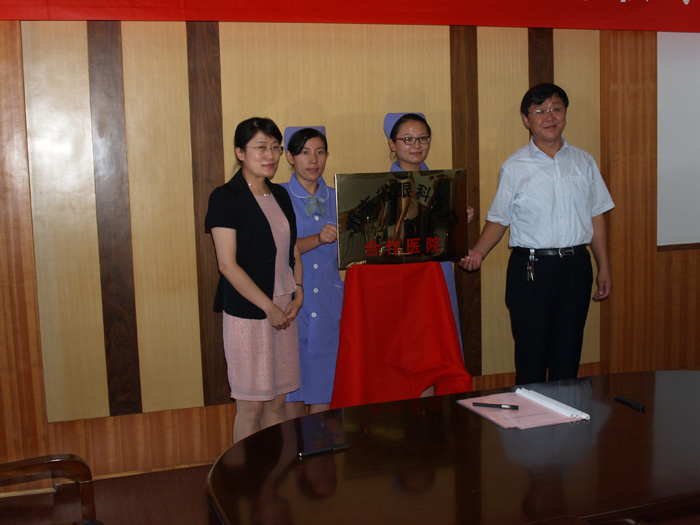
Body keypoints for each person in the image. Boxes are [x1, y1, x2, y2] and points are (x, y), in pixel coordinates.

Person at [458, 83, 614, 385]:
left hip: (576, 267)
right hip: (530, 270)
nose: (549, 117)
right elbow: (499, 219)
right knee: (531, 357)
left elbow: (596, 215)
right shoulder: (515, 166)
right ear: (526, 119)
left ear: (565, 114)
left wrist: (603, 267)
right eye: (540, 111)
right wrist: (478, 252)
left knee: (568, 354)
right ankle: (530, 416)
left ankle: (564, 413)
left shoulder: (584, 162)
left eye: (556, 109)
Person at [205, 117, 303, 443]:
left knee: (277, 402)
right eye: (261, 147)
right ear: (240, 152)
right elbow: (227, 265)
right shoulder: (225, 197)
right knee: (251, 407)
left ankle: (273, 471)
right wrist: (268, 308)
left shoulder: (280, 194)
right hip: (249, 313)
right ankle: (245, 476)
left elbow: (292, 250)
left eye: (275, 147)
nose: (270, 155)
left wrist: (298, 291)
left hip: (284, 309)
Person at [385, 112, 475, 357]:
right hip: (402, 275)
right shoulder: (383, 186)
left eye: (423, 138)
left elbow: (449, 238)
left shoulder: (444, 183)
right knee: (408, 343)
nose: (417, 145)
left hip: (438, 272)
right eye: (408, 139)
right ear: (392, 144)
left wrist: (460, 219)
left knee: (441, 338)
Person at [280, 126, 343, 417]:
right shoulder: (278, 197)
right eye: (304, 152)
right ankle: (294, 446)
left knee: (325, 383)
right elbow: (280, 248)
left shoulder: (340, 197)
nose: (313, 160)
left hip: (330, 302)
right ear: (289, 157)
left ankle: (323, 445)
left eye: (319, 152)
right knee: (292, 387)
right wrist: (317, 238)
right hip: (293, 302)